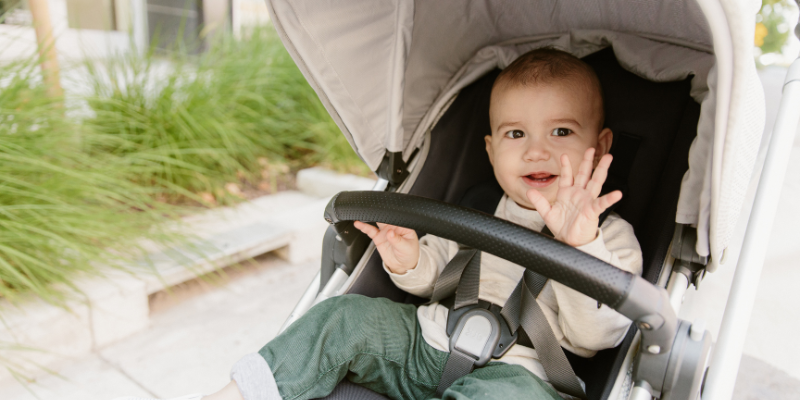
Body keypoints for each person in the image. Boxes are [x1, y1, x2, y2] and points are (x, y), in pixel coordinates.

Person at [115, 47, 642, 400]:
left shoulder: (610, 238)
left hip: (524, 377)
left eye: (561, 131)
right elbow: (438, 275)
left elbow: (598, 336)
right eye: (515, 135)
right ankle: (246, 390)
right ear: (490, 148)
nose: (537, 150)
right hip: (429, 342)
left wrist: (583, 243)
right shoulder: (480, 212)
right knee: (342, 318)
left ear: (600, 146)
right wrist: (409, 258)